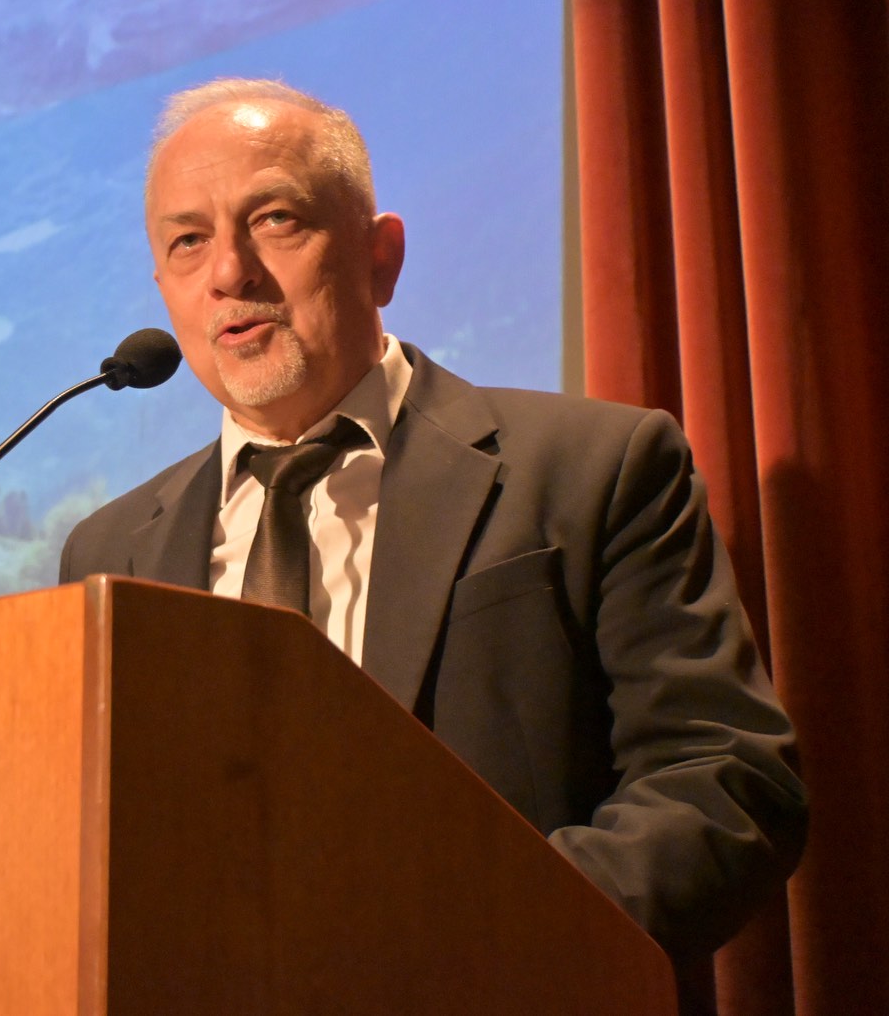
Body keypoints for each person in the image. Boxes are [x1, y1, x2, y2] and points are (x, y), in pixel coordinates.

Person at [59, 78, 806, 1000]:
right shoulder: (109, 554)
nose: (229, 273)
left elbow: (723, 779)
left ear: (381, 258)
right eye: (188, 241)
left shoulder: (593, 469)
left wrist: (471, 941)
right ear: (164, 290)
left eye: (275, 220)